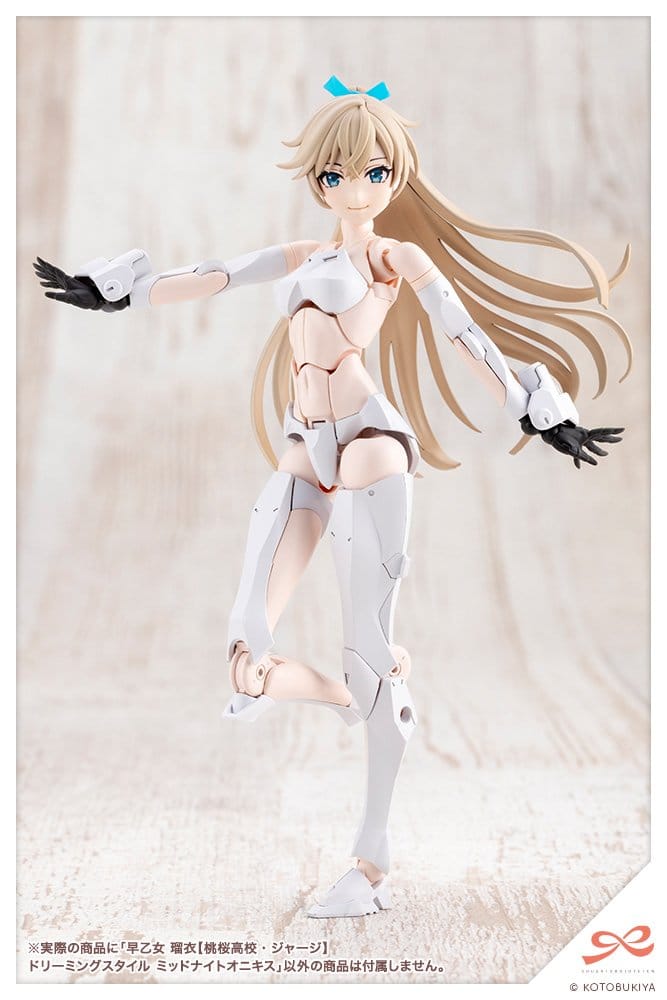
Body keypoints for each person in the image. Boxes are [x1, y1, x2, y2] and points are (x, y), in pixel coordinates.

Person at [33, 76, 629, 919]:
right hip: (301, 446)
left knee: (364, 642)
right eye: (336, 174)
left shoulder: (391, 259)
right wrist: (122, 290)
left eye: (373, 173)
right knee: (247, 650)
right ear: (317, 178)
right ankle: (362, 693)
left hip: (369, 444)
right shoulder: (302, 256)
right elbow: (216, 274)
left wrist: (535, 408)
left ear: (394, 177)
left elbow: (461, 332)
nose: (354, 189)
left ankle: (369, 859)